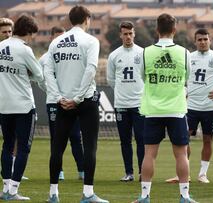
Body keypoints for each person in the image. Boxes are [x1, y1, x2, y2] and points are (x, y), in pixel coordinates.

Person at [44, 5, 108, 203]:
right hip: (85, 101)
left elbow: (48, 72)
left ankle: (53, 194)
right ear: (87, 19)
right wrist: (78, 98)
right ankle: (88, 193)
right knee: (89, 147)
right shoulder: (91, 40)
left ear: (70, 20)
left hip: (62, 103)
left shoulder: (56, 41)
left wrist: (58, 97)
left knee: (57, 148)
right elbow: (91, 70)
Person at [132, 13, 197, 203]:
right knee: (181, 154)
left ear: (156, 30)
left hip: (152, 110)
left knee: (149, 154)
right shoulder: (184, 52)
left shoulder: (145, 52)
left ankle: (145, 196)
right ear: (174, 30)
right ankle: (184, 196)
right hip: (176, 110)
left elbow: (143, 77)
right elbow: (187, 79)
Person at [166, 28, 213, 184]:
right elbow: (179, 78)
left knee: (207, 140)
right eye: (200, 40)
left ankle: (202, 174)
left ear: (210, 41)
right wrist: (183, 90)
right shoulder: (188, 58)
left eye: (205, 39)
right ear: (195, 41)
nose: (203, 42)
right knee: (183, 139)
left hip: (209, 108)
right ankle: (184, 174)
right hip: (190, 107)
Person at [0, 14, 43, 200]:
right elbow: (39, 75)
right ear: (28, 31)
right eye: (32, 34)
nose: (32, 38)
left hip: (3, 105)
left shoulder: (0, 46)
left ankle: (5, 187)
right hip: (23, 105)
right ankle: (14, 190)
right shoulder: (25, 50)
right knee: (23, 148)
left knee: (7, 146)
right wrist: (27, 76)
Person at [38, 26, 85, 181]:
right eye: (57, 37)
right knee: (57, 138)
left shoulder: (71, 54)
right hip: (53, 102)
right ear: (52, 38)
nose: (61, 40)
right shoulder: (45, 58)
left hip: (72, 100)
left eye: (63, 37)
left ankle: (82, 170)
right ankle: (59, 171)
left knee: (76, 137)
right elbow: (40, 80)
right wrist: (53, 93)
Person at [107, 21, 144, 182]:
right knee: (125, 141)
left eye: (130, 33)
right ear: (120, 35)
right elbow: (110, 80)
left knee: (141, 139)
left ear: (134, 34)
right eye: (125, 34)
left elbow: (147, 77)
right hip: (121, 105)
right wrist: (122, 91)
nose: (128, 37)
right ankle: (129, 173)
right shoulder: (114, 55)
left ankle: (143, 172)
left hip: (140, 104)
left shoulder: (143, 53)